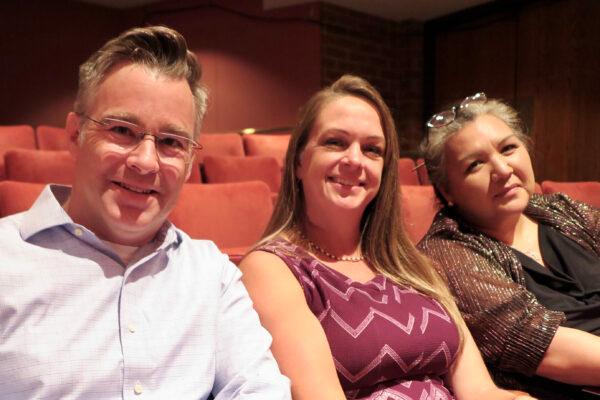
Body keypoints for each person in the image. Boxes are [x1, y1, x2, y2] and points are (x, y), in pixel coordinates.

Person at [0, 26, 290, 399]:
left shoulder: (211, 274)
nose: (145, 161)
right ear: (75, 135)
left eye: (171, 142)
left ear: (189, 161)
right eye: (122, 130)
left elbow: (260, 390)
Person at [239, 75, 534, 400]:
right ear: (298, 160)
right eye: (335, 142)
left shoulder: (413, 265)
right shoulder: (272, 268)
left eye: (372, 149)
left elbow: (481, 392)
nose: (354, 160)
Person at [417, 93, 600, 399]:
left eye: (508, 148)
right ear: (447, 191)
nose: (503, 170)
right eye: (475, 164)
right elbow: (542, 347)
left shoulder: (561, 210)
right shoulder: (447, 251)